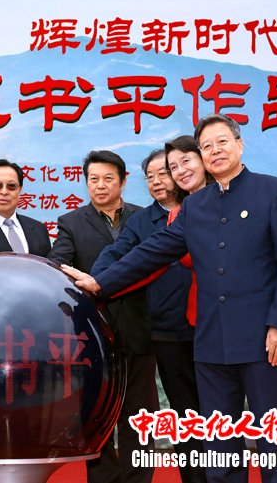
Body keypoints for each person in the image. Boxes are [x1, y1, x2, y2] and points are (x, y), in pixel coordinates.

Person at [63, 115, 277, 483]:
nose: (215, 150)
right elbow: (152, 251)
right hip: (210, 342)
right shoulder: (195, 206)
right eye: (207, 146)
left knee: (274, 438)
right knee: (220, 443)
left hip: (262, 339)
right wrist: (100, 282)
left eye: (222, 142)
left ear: (240, 145)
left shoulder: (273, 191)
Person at [89, 148, 206, 483]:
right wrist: (96, 283)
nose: (156, 181)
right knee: (186, 416)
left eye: (163, 173)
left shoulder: (206, 209)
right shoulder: (140, 222)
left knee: (220, 413)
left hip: (212, 327)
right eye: (150, 176)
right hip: (168, 332)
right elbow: (115, 257)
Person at [48, 150, 158, 483]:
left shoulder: (144, 217)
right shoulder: (71, 222)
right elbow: (59, 266)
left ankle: (137, 479)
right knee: (97, 412)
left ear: (123, 182)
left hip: (140, 327)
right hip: (93, 333)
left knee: (140, 413)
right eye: (93, 179)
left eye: (108, 178)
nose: (100, 185)